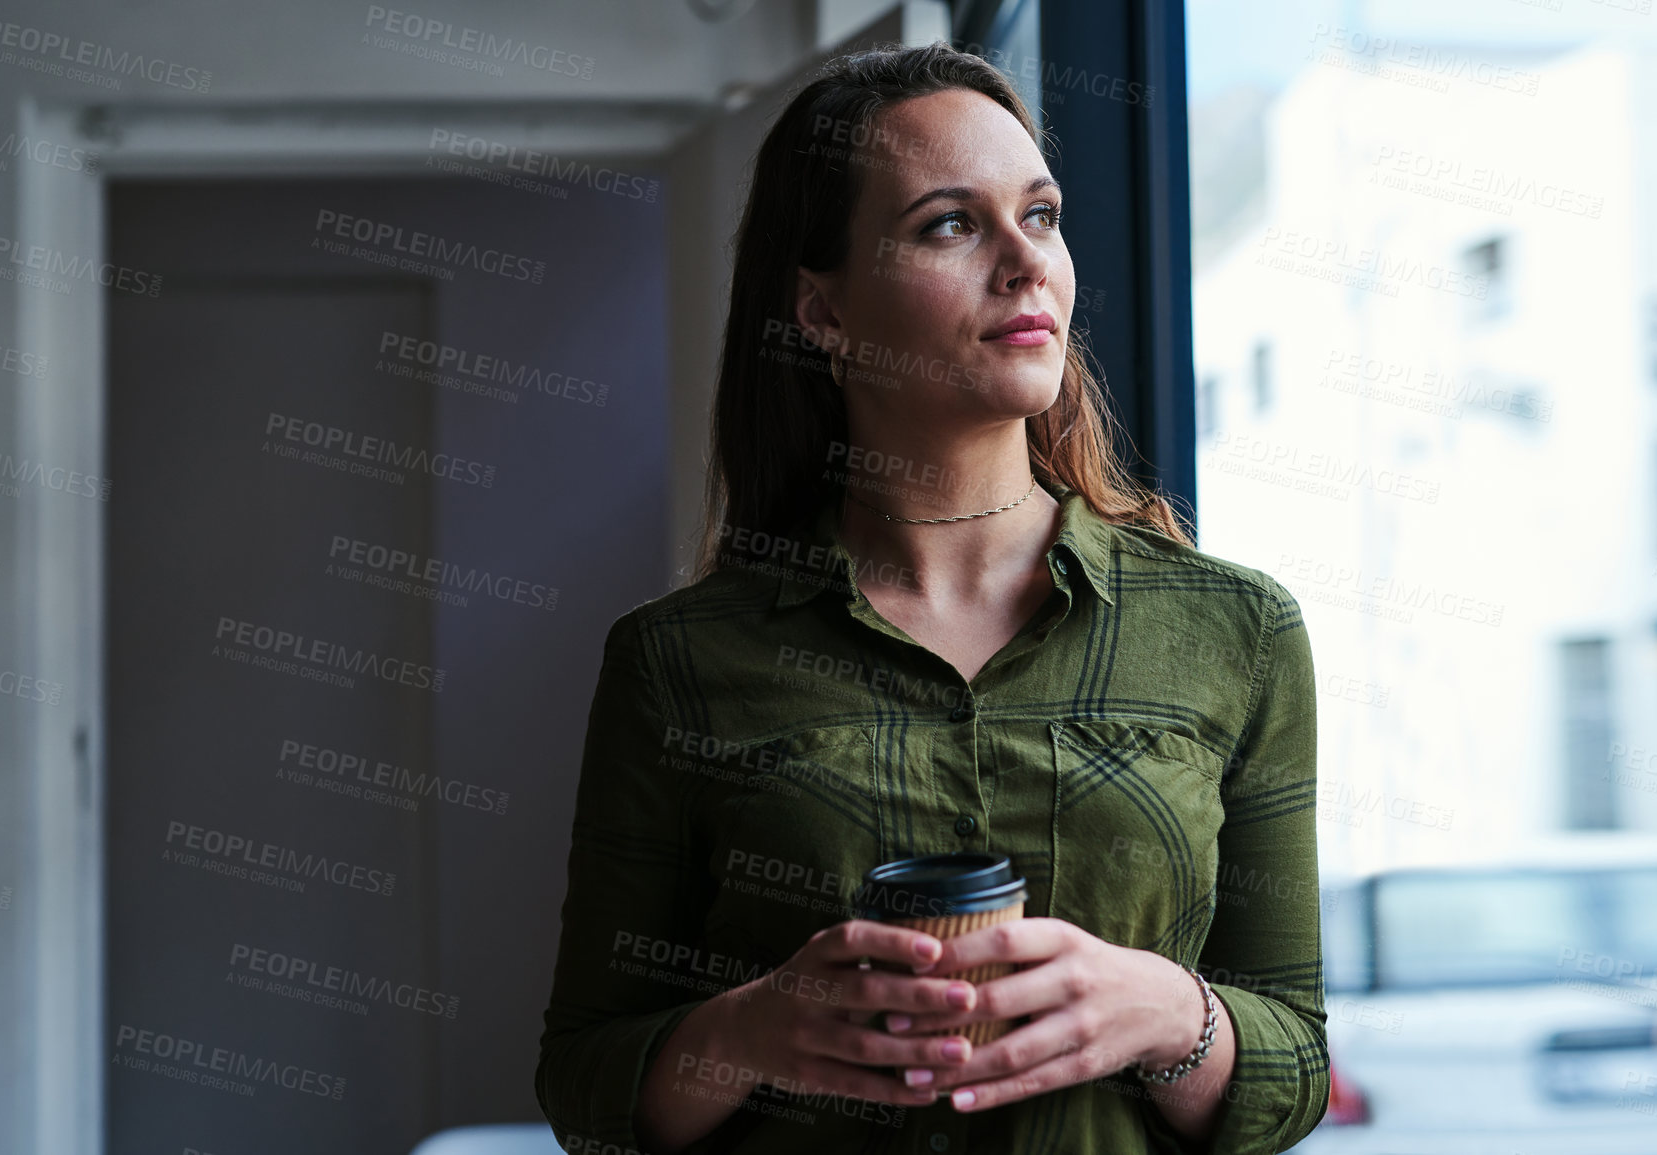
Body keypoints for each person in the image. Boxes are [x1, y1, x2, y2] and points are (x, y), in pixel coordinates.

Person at [535, 41, 1328, 1155]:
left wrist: (1166, 1013)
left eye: (1041, 216)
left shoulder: (1237, 632)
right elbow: (586, 1086)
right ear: (821, 311)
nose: (1026, 264)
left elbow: (1293, 1066)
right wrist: (758, 1031)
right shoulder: (678, 662)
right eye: (951, 224)